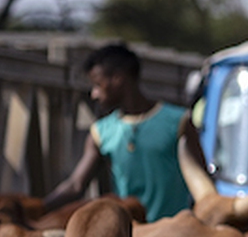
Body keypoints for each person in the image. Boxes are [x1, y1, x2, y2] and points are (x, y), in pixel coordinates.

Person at [41, 43, 194, 221]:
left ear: (118, 78)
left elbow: (203, 184)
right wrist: (38, 207)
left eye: (98, 85)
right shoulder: (101, 132)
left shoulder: (178, 122)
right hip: (130, 236)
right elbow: (76, 185)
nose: (94, 94)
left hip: (174, 235)